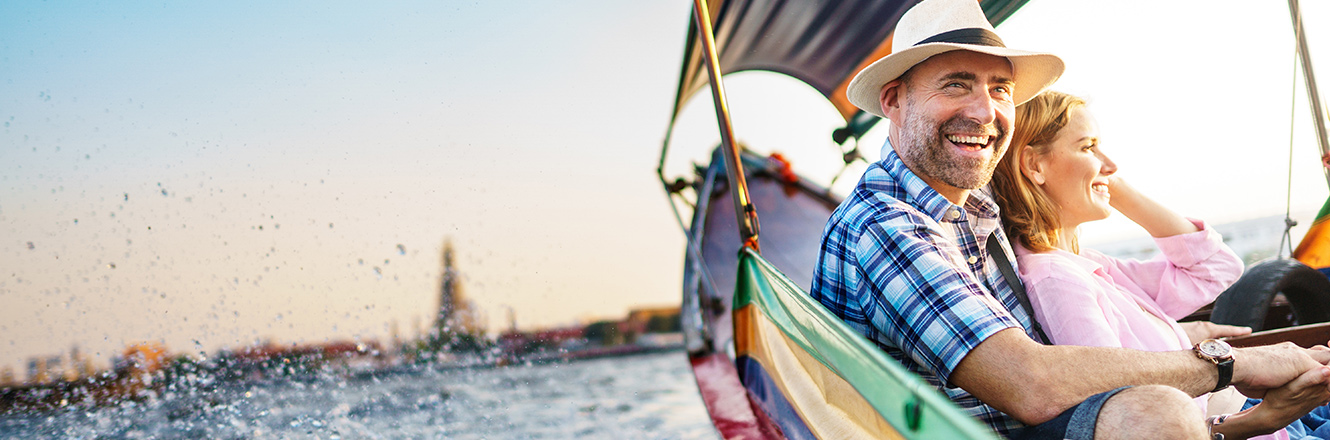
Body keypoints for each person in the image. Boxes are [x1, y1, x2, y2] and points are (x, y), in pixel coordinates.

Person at [809, 0, 1330, 438]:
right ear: (895, 101)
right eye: (955, 85)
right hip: (1013, 423)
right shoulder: (884, 226)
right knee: (1156, 415)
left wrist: (1184, 334)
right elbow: (1029, 380)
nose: (985, 111)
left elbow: (1203, 269)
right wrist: (1226, 364)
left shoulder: (970, 205)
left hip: (1037, 420)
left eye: (1000, 90)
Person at [989, 90, 1330, 439]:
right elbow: (1124, 403)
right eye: (1088, 147)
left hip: (1264, 415)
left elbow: (1215, 268)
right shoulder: (1057, 280)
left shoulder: (1089, 266)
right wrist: (1262, 417)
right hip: (1249, 426)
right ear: (1033, 165)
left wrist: (1111, 184)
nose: (1110, 163)